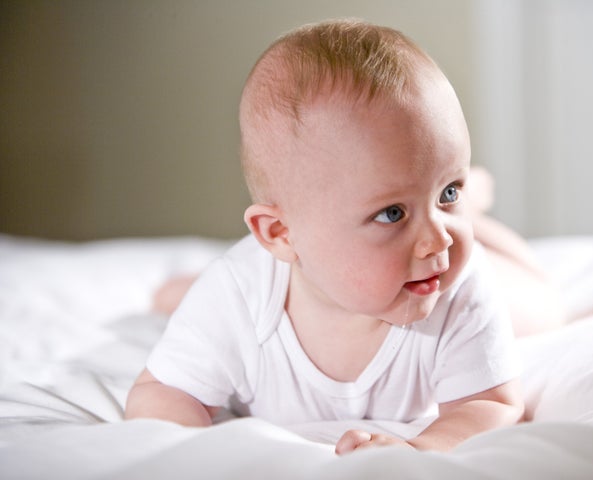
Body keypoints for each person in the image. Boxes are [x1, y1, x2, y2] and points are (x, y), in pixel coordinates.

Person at [125, 19, 564, 454]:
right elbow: (162, 393)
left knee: (543, 307)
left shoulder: (460, 286)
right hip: (253, 280)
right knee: (195, 298)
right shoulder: (235, 298)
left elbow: (490, 403)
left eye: (450, 191)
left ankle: (477, 209)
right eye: (392, 213)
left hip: (454, 278)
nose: (439, 240)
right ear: (280, 233)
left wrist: (421, 448)